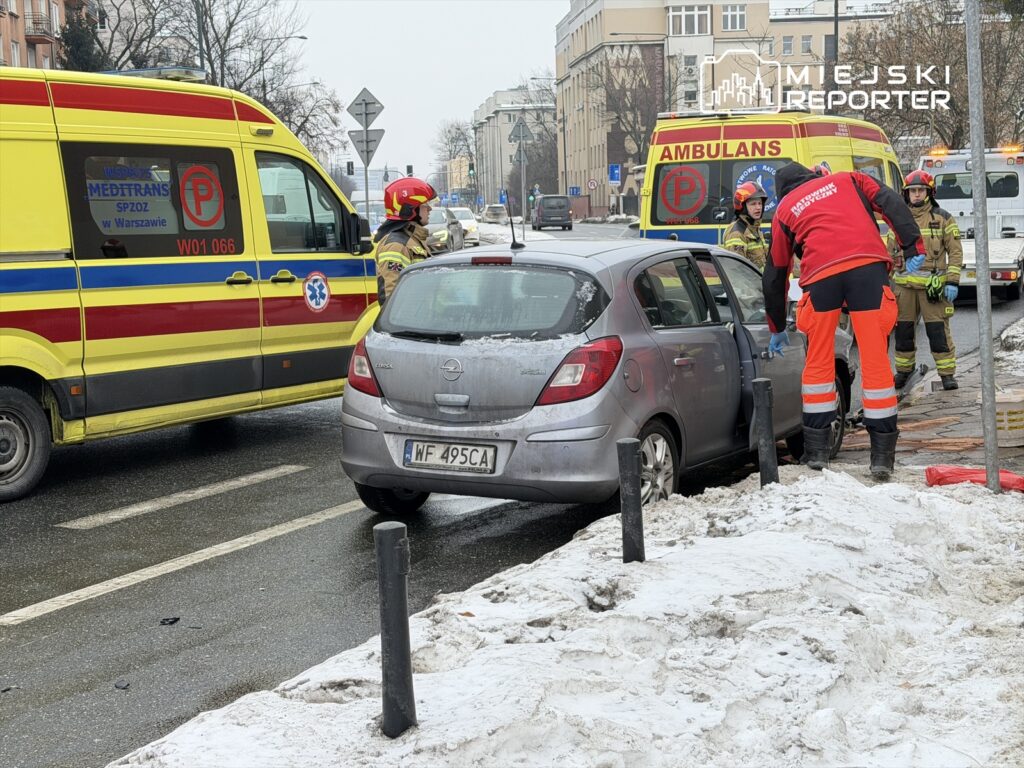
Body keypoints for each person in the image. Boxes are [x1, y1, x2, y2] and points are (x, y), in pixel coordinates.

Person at [762, 162, 925, 481]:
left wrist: (777, 326)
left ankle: (818, 453)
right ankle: (881, 457)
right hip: (867, 271)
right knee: (876, 365)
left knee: (819, 365)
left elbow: (776, 273)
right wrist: (911, 244)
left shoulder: (785, 210)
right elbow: (890, 200)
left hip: (820, 279)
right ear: (811, 176)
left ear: (783, 192)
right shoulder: (849, 179)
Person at [891, 170, 963, 391]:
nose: (916, 194)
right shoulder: (898, 218)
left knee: (937, 332)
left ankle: (947, 374)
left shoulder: (943, 217)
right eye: (912, 191)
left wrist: (952, 281)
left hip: (933, 288)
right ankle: (903, 372)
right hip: (904, 288)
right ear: (906, 194)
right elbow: (889, 251)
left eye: (921, 190)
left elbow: (955, 252)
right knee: (903, 333)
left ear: (930, 192)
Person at [372, 177, 436, 304]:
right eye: (425, 205)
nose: (430, 209)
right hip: (411, 320)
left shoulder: (412, 240)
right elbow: (390, 298)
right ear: (409, 208)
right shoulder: (395, 245)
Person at [722, 181, 769, 269]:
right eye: (753, 204)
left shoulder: (755, 228)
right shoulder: (736, 233)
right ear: (742, 207)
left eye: (760, 203)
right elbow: (736, 270)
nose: (758, 207)